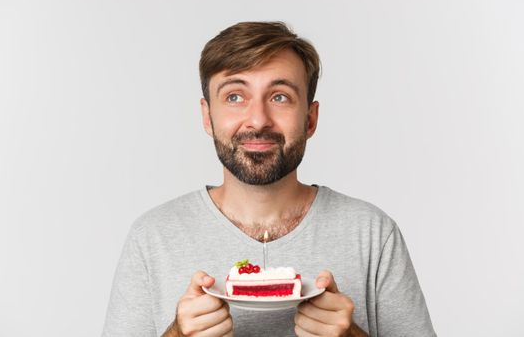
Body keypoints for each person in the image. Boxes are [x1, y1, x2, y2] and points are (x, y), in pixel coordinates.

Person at [102, 21, 436, 337]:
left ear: (310, 119)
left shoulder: (373, 234)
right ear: (207, 117)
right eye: (235, 96)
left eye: (280, 97)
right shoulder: (152, 237)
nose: (258, 120)